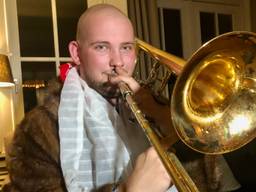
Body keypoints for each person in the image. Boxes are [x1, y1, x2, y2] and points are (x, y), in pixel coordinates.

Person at [5, 4, 175, 192]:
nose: (117, 62)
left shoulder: (155, 108)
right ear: (76, 53)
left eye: (126, 47)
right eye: (102, 47)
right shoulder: (38, 131)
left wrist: (159, 113)